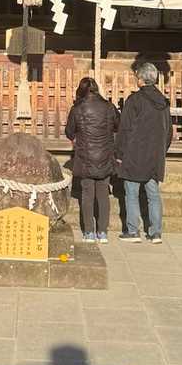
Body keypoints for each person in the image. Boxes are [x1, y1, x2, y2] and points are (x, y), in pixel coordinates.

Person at [115, 62, 172, 243]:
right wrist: (161, 150)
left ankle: (133, 231)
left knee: (131, 193)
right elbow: (169, 132)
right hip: (155, 155)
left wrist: (119, 153)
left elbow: (124, 129)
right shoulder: (163, 102)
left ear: (140, 79)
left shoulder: (134, 101)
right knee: (153, 194)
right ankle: (155, 232)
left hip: (134, 154)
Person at [65, 76, 119, 243]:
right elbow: (118, 125)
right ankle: (102, 232)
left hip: (85, 156)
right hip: (105, 155)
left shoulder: (77, 109)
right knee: (103, 194)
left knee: (87, 195)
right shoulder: (109, 107)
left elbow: (69, 132)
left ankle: (88, 232)